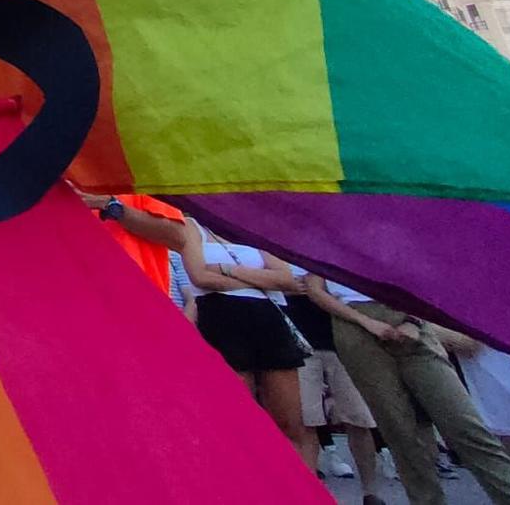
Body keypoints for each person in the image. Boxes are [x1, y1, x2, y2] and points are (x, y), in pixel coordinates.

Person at [306, 273, 510, 505]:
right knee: (400, 432)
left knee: (464, 423)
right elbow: (315, 288)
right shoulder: (325, 237)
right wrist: (365, 322)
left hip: (410, 314)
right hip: (354, 324)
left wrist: (413, 320)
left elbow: (424, 271)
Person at [177, 219, 314, 471]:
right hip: (222, 320)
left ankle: (299, 489)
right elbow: (200, 277)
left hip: (268, 320)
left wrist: (226, 269)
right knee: (238, 418)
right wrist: (260, 280)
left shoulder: (253, 226)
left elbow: (286, 278)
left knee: (290, 420)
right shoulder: (192, 225)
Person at [283, 265, 383, 493]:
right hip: (299, 341)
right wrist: (287, 285)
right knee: (307, 420)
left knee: (358, 417)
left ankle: (371, 492)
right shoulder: (274, 245)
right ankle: (309, 492)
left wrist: (315, 288)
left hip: (342, 340)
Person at [77, 190, 187, 297]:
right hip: (76, 296)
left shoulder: (144, 178)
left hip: (137, 298)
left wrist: (110, 205)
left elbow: (177, 237)